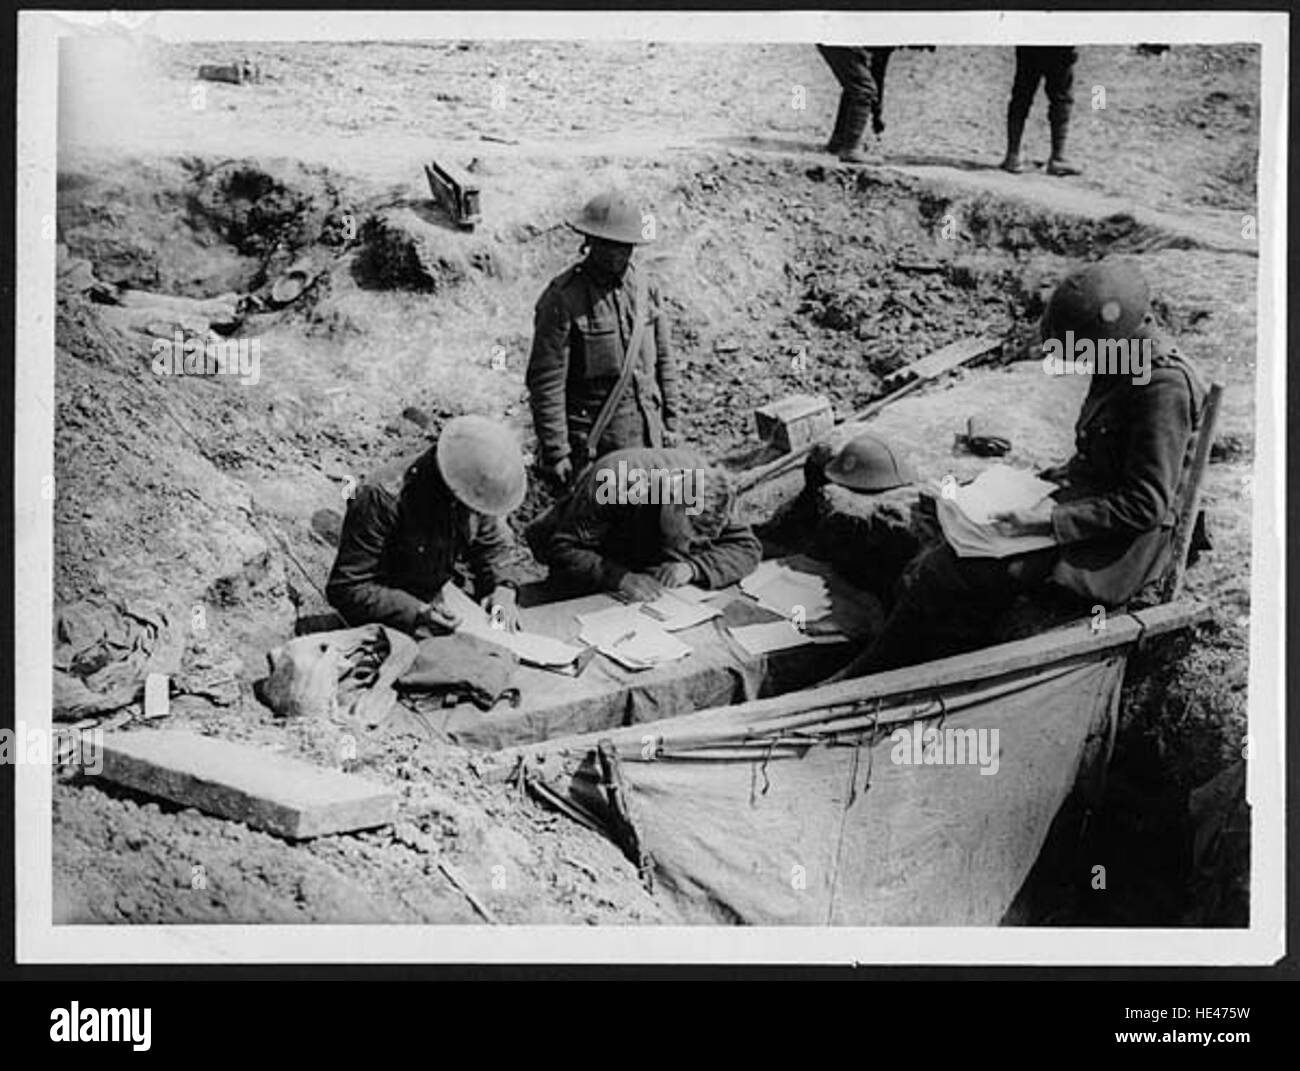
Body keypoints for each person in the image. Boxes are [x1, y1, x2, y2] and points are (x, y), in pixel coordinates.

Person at [836, 260, 1207, 676]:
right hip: (1094, 501)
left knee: (955, 570)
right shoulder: (1122, 355)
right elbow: (1103, 456)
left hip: (1128, 540)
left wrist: (1048, 521)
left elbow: (1147, 502)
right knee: (943, 526)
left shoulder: (1160, 386)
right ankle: (894, 659)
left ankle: (885, 674)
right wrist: (1035, 485)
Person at [526, 189, 681, 492]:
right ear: (589, 242)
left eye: (624, 246)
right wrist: (557, 451)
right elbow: (546, 382)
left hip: (648, 436)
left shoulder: (646, 288)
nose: (616, 254)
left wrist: (672, 422)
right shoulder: (563, 298)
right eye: (607, 245)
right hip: (597, 448)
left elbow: (664, 360)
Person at [326, 415, 527, 635]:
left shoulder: (470, 486)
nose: (470, 509)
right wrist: (417, 612)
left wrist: (503, 589)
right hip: (390, 611)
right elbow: (346, 588)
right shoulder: (383, 497)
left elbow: (492, 546)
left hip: (441, 596)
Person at [530, 446, 762, 601]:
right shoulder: (615, 481)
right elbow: (563, 549)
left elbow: (746, 547)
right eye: (683, 535)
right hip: (596, 574)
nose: (686, 544)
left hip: (650, 587)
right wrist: (621, 578)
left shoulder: (705, 487)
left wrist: (693, 568)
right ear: (672, 500)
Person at [1001, 46, 1082, 176]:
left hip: (1031, 41)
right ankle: (1058, 158)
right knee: (1061, 99)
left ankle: (1013, 155)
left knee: (1022, 95)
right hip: (1060, 43)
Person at [816, 45, 893, 163]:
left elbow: (874, 69)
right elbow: (877, 71)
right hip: (838, 38)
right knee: (863, 88)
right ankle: (850, 149)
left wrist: (877, 111)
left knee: (857, 86)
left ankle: (838, 142)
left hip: (835, 38)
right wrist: (877, 113)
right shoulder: (895, 33)